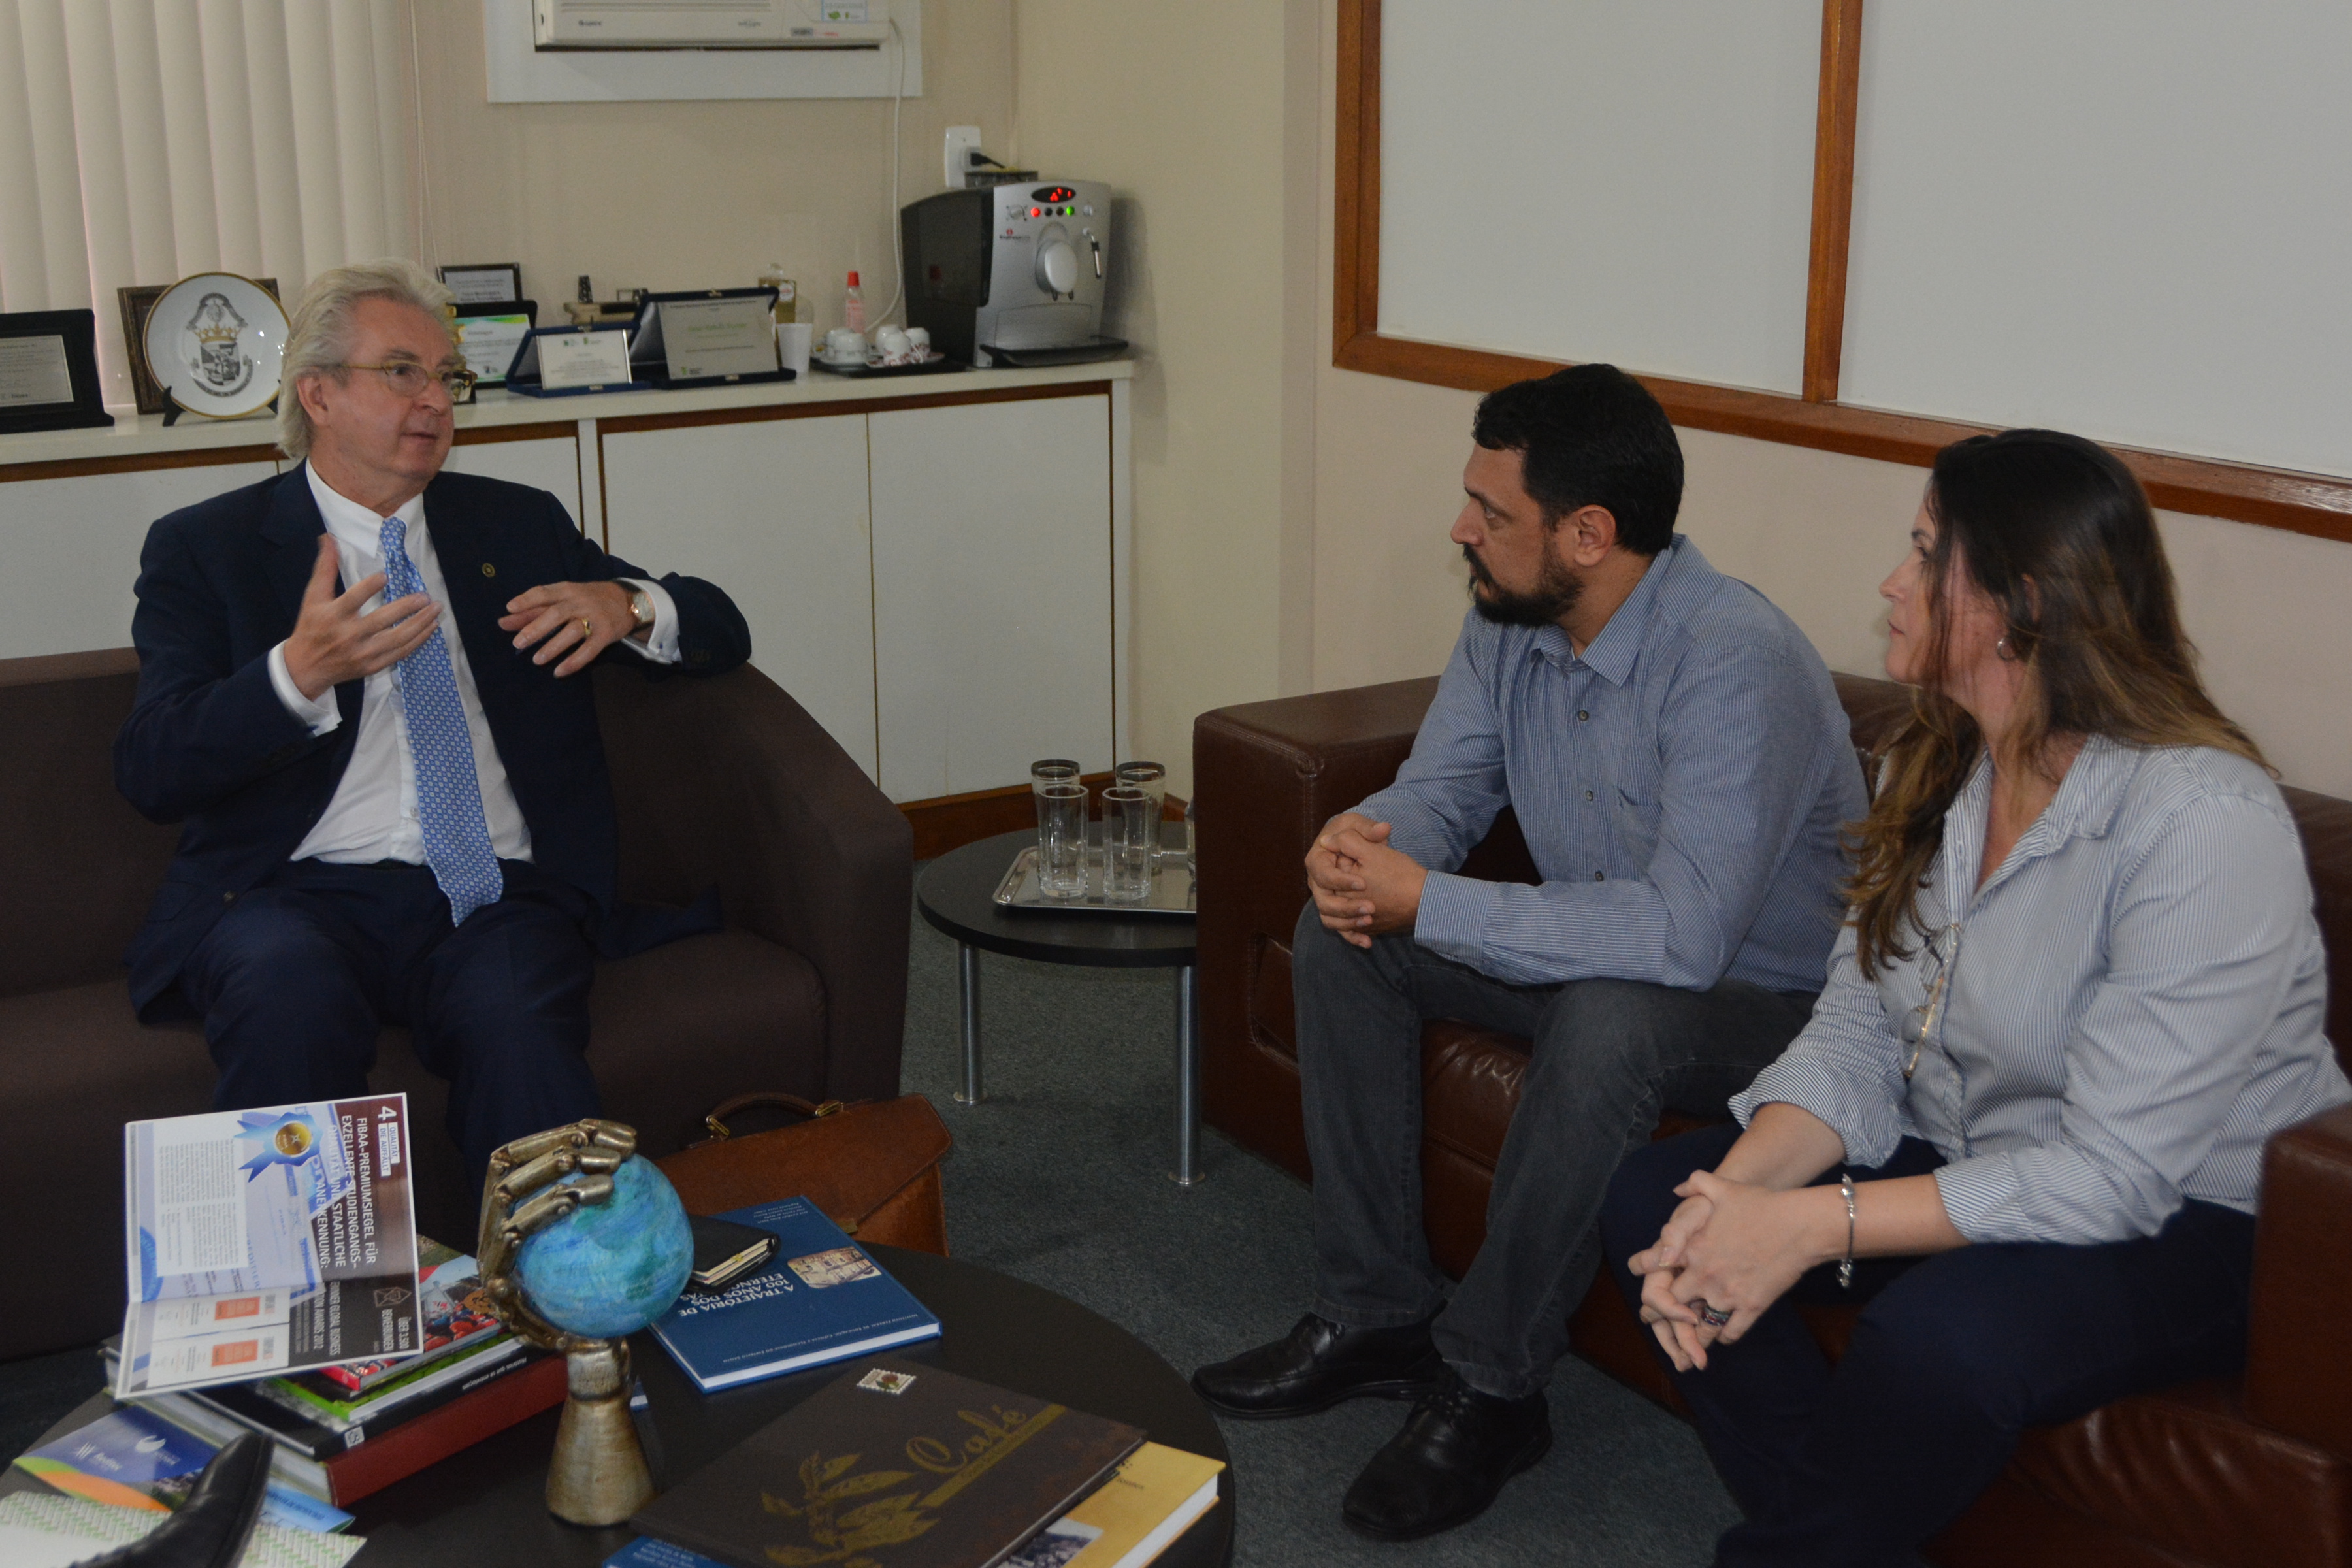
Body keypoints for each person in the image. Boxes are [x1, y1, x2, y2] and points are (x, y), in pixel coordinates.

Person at [1600, 428, 2351, 1568]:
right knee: (1660, 1201)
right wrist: (1738, 1203)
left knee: (1939, 1338)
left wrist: (1807, 1225)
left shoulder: (2202, 822)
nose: (1890, 584)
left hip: (2196, 1216)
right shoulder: (1943, 760)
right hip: (1984, 1148)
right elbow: (1857, 1029)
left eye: (1922, 552)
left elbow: (2111, 1175)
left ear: (2021, 603)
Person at [1190, 365, 1868, 1540]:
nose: (1461, 529)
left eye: (1490, 511)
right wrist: (1366, 849)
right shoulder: (1510, 621)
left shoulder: (1734, 659)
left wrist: (1434, 903)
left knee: (1611, 1017)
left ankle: (1494, 1387)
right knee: (1344, 940)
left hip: (1761, 1008)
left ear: (1588, 536)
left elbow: (1682, 937)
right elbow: (1447, 789)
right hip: (1598, 961)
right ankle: (1374, 1312)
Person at [114, 259, 752, 1187]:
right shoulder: (207, 548)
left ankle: (563, 1265)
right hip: (291, 894)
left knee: (520, 1023)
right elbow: (151, 767)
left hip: (494, 893)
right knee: (285, 998)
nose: (437, 400)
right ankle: (311, 1271)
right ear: (318, 395)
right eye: (402, 372)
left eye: (447, 376)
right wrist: (296, 676)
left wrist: (627, 604)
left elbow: (721, 626)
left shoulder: (514, 526)